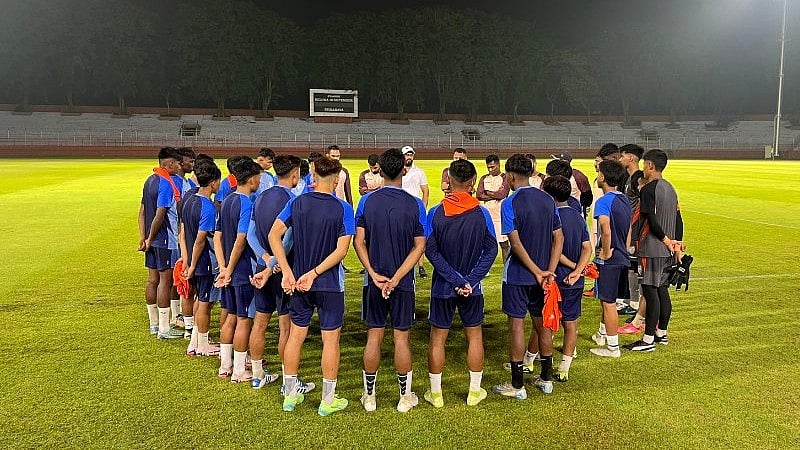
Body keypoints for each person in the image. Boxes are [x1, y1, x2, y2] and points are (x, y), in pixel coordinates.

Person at [269, 156, 354, 416]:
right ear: (337, 179)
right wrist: (314, 273)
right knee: (331, 340)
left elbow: (274, 234)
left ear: (312, 176)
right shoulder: (343, 208)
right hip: (328, 284)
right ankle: (327, 400)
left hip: (299, 283)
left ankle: (290, 395)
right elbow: (342, 251)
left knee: (296, 336)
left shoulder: (297, 202)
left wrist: (287, 271)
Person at [353, 148, 427, 413]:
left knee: (374, 337)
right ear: (404, 170)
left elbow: (358, 241)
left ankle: (369, 397)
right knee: (401, 338)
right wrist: (396, 278)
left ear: (380, 170)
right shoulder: (415, 204)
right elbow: (419, 246)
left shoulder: (366, 202)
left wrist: (373, 274)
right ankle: (405, 398)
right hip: (403, 282)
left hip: (374, 281)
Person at [424, 159, 497, 408]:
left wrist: (454, 279)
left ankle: (436, 394)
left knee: (437, 338)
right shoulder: (482, 213)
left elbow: (431, 252)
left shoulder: (434, 212)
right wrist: (470, 280)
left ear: (448, 181)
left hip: (443, 287)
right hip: (471, 288)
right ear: (473, 182)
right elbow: (491, 250)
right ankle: (474, 392)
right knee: (474, 336)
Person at [493, 154, 563, 399]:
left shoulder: (509, 202)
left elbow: (515, 241)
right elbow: (559, 237)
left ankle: (517, 385)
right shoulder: (547, 199)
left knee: (516, 328)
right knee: (542, 324)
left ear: (511, 175)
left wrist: (535, 270)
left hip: (519, 276)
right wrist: (549, 271)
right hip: (544, 277)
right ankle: (546, 379)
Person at [247, 155, 305, 390]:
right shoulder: (293, 200)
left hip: (263, 268)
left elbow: (250, 235)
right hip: (283, 272)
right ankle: (288, 381)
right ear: (295, 175)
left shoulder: (259, 198)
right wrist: (275, 265)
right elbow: (287, 241)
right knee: (285, 327)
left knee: (259, 323)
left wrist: (266, 260)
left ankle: (258, 375)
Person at [624, 149, 684, 352]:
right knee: (662, 290)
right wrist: (676, 244)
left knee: (651, 292)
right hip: (667, 250)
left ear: (650, 165)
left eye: (644, 165)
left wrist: (666, 240)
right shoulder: (671, 188)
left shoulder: (649, 190)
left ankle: (648, 339)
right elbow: (678, 219)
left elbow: (649, 218)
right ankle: (661, 333)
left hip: (652, 247)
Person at [213, 158, 262, 382]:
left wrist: (222, 267)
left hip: (228, 269)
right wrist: (231, 268)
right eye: (259, 177)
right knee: (244, 319)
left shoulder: (227, 200)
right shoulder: (246, 203)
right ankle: (240, 371)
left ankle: (226, 365)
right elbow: (241, 239)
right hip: (242, 270)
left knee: (230, 316)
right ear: (252, 179)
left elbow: (219, 235)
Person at [542, 175, 591, 382]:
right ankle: (564, 367)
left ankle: (536, 360)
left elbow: (556, 249)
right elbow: (587, 247)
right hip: (575, 282)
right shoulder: (578, 216)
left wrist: (571, 268)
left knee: (547, 321)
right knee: (571, 322)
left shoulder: (550, 218)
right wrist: (579, 271)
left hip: (556, 279)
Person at [138, 146, 184, 339]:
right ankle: (165, 328)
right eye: (178, 163)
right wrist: (150, 237)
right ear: (170, 163)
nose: (180, 166)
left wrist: (143, 237)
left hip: (151, 240)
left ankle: (154, 324)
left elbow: (141, 211)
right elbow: (160, 214)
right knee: (165, 281)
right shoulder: (166, 183)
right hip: (163, 239)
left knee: (152, 280)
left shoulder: (150, 180)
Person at [589, 160, 632, 358]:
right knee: (608, 299)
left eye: (598, 174)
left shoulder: (603, 201)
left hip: (610, 259)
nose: (597, 177)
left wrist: (606, 252)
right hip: (622, 255)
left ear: (604, 178)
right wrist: (624, 246)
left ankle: (612, 348)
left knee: (608, 302)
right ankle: (602, 334)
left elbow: (605, 230)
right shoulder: (623, 199)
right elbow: (629, 229)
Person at [181, 161, 222, 357]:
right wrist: (194, 264)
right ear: (213, 183)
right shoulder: (208, 207)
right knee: (205, 302)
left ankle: (195, 342)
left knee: (199, 299)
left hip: (192, 260)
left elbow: (182, 234)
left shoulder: (189, 200)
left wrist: (186, 261)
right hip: (204, 262)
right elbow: (200, 240)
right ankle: (203, 345)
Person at [400, 146, 430, 278]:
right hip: (401, 208)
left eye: (411, 155)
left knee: (419, 237)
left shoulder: (419, 172)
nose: (409, 157)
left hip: (416, 209)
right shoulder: (398, 171)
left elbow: (425, 191)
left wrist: (423, 207)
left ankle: (421, 266)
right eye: (407, 155)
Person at [476, 154, 511, 262]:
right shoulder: (484, 178)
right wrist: (494, 194)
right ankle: (484, 269)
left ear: (498, 165)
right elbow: (478, 195)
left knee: (504, 244)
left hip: (500, 216)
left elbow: (502, 194)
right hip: (487, 215)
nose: (490, 170)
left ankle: (506, 267)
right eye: (488, 167)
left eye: (493, 167)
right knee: (484, 244)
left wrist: (487, 193)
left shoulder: (505, 177)